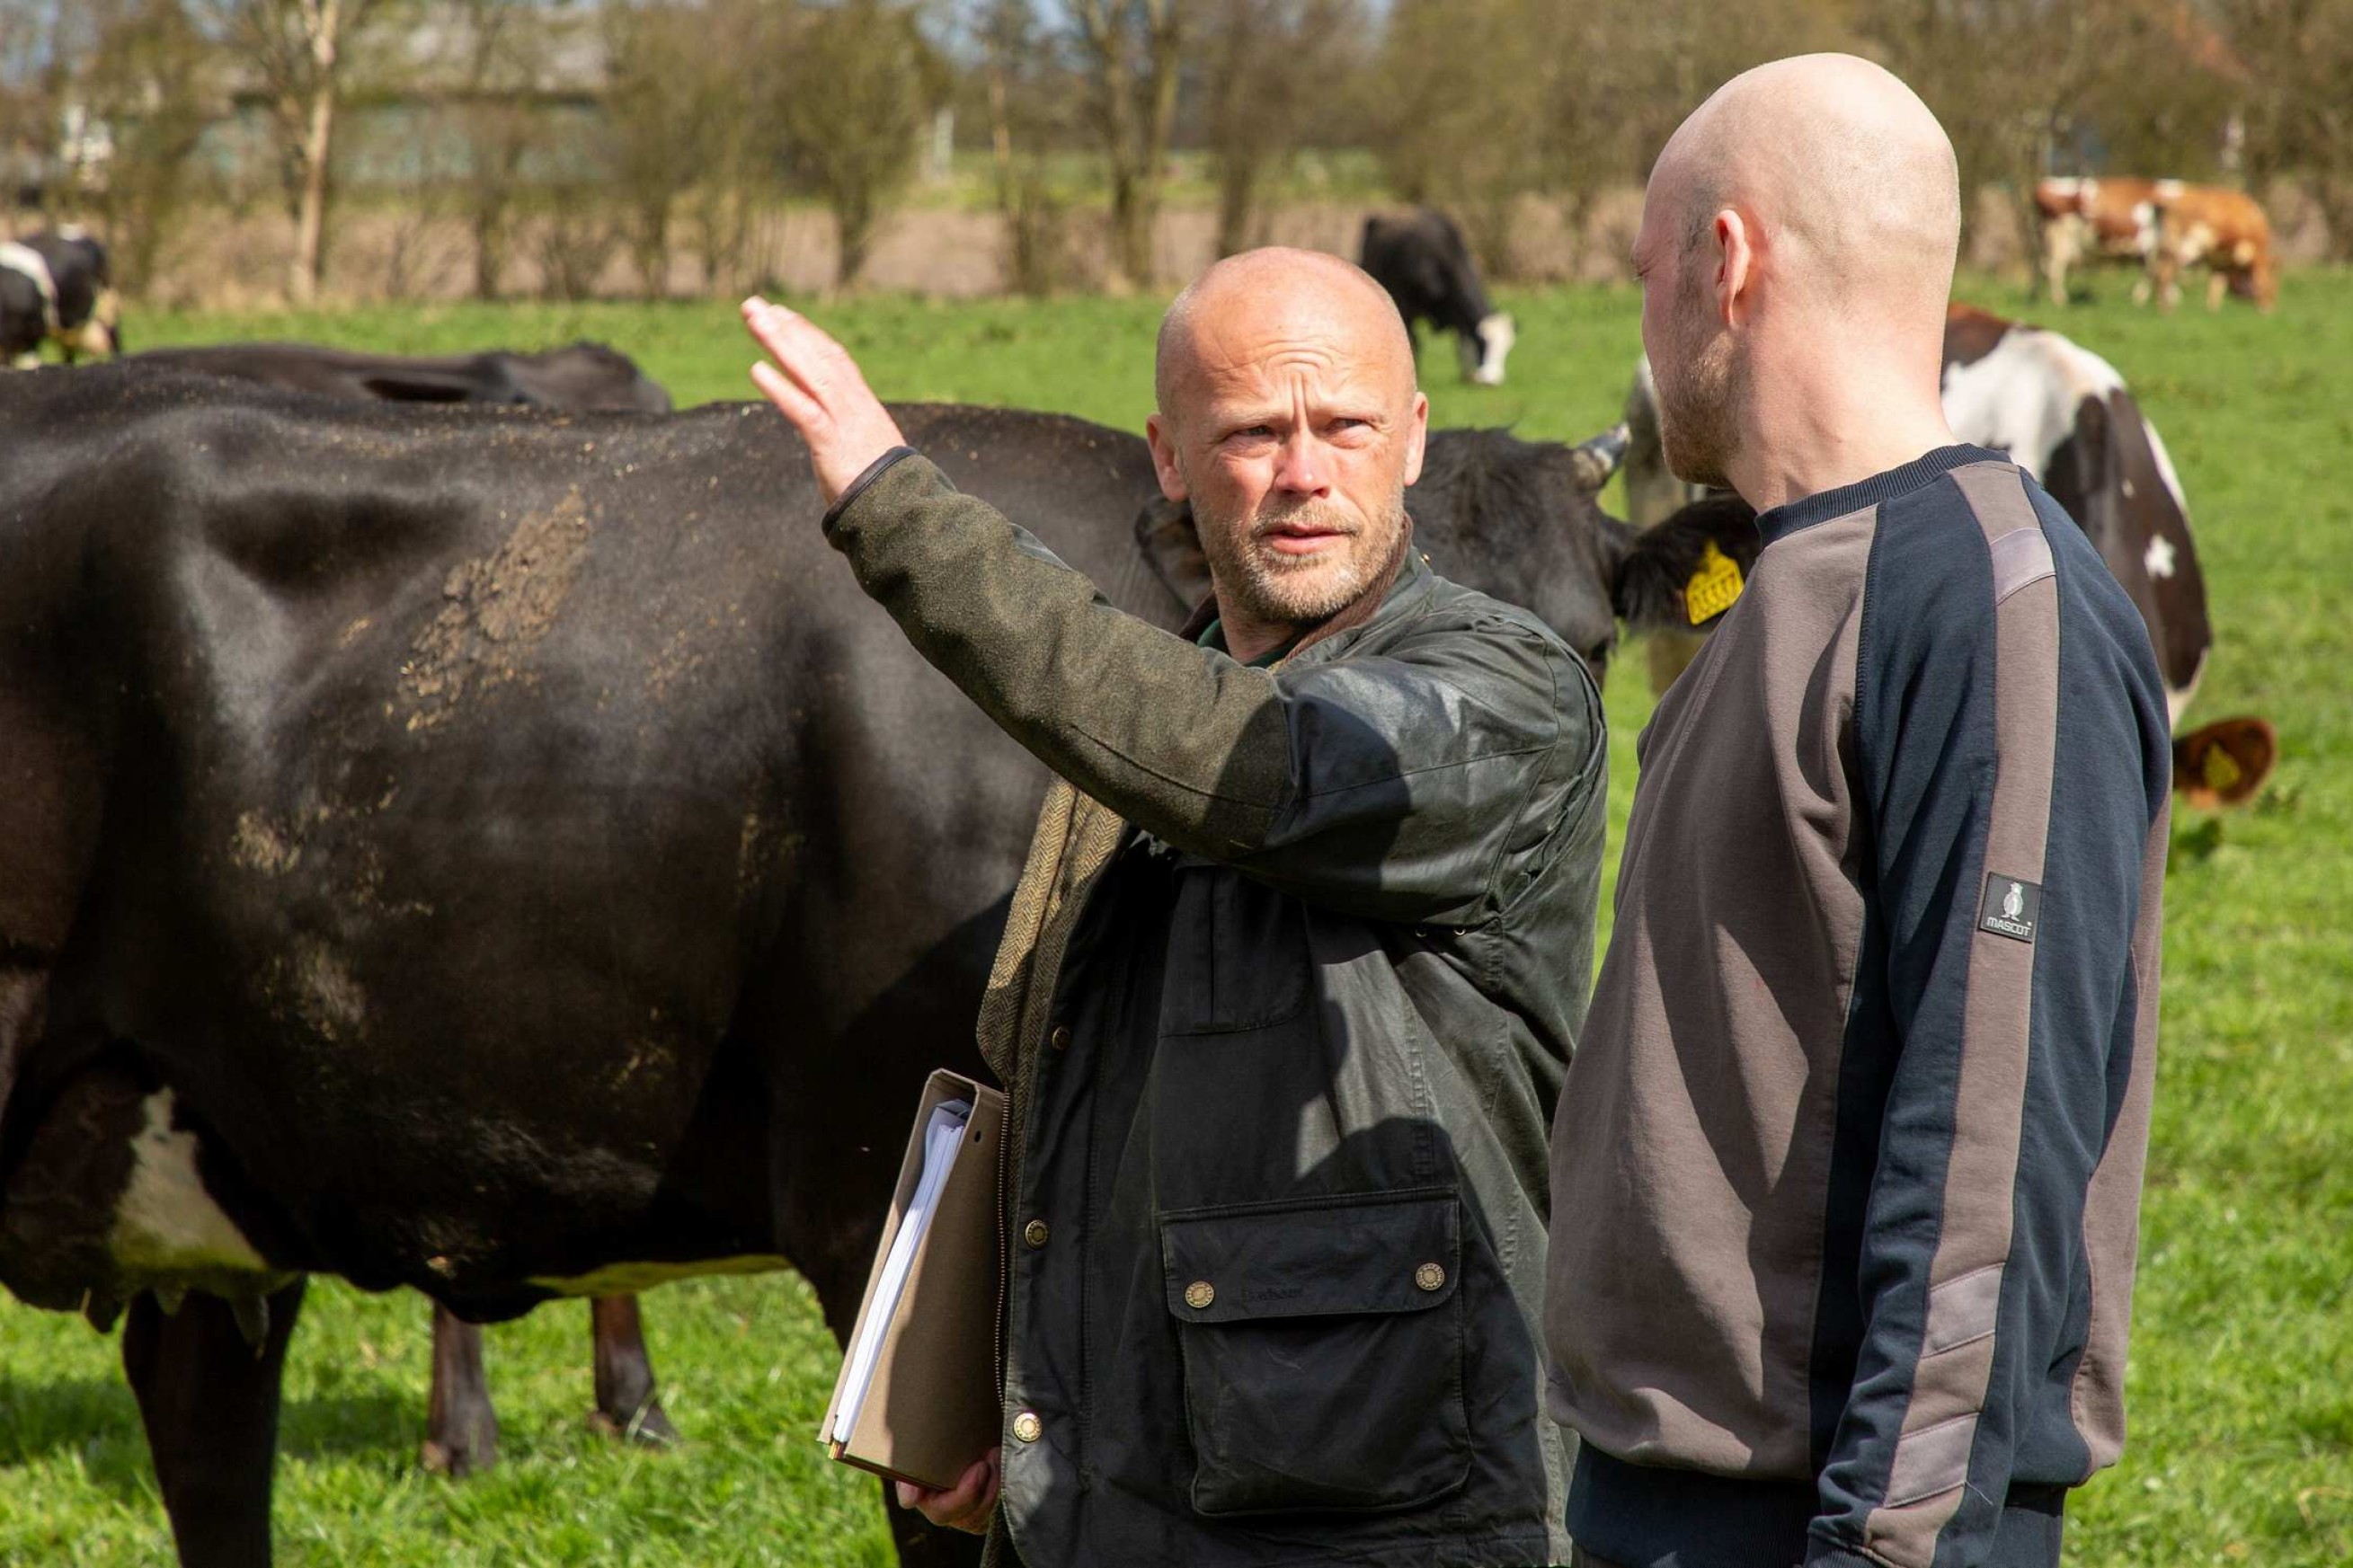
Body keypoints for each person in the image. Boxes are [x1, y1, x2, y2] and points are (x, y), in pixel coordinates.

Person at [744, 249, 1603, 1564]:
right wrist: (1031, 1429)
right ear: (1167, 456)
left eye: (1346, 425)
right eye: (1254, 431)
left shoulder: (1503, 694)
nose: (1305, 472)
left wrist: (898, 509)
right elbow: (1097, 1134)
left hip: (1393, 1525)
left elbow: (1260, 761)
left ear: (1414, 438)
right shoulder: (1131, 741)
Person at [1541, 55, 2172, 1568]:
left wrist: (1891, 1548)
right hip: (1672, 1491)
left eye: (1644, 274)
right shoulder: (1786, 580)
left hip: (1825, 1518)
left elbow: (1986, 1158)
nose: (1641, 322)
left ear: (1726, 260)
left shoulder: (1982, 604)